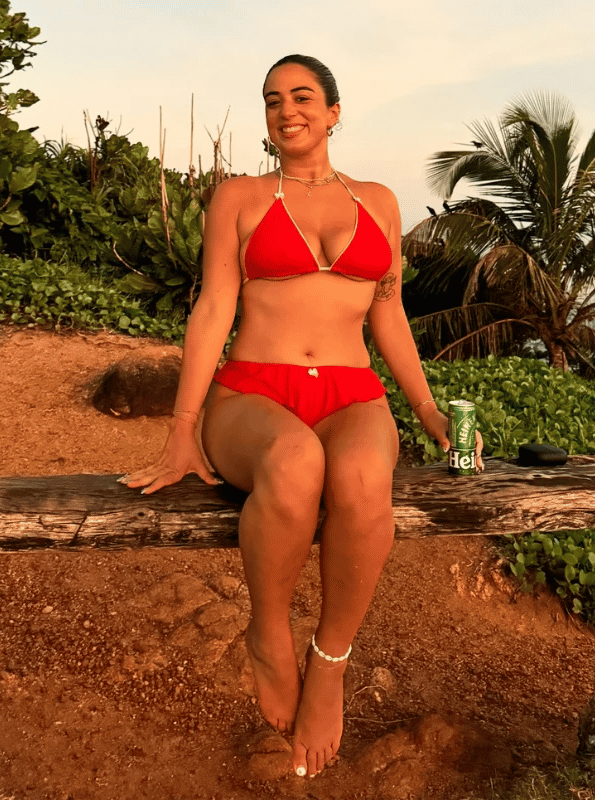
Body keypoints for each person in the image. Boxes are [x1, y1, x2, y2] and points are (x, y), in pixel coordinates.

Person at [121, 54, 483, 779]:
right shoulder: (240, 197)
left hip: (352, 394)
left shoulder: (379, 201)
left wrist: (427, 408)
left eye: (303, 96)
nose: (287, 110)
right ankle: (268, 634)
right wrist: (182, 428)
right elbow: (214, 308)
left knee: (357, 475)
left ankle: (330, 662)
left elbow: (390, 315)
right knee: (293, 464)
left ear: (334, 112)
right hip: (253, 392)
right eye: (272, 100)